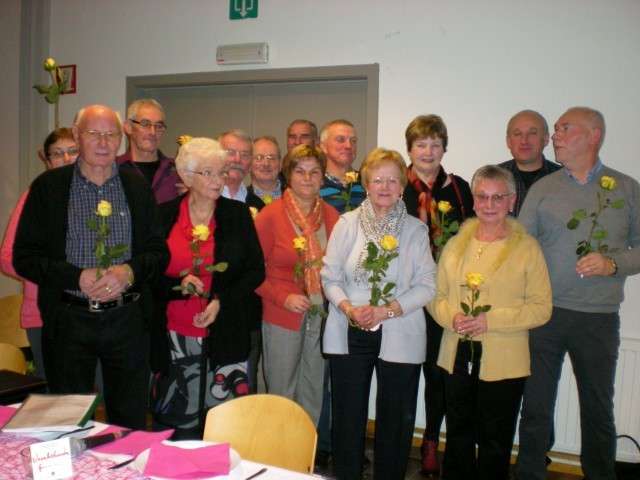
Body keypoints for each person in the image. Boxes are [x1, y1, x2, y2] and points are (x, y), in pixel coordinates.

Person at [13, 104, 168, 429]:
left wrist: (129, 272)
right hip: (69, 320)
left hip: (127, 320)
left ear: (120, 138)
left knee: (129, 420)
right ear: (77, 135)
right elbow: (24, 257)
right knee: (68, 418)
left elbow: (158, 252)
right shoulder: (49, 188)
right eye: (94, 133)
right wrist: (76, 277)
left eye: (110, 134)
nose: (103, 142)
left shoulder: (136, 186)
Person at [516, 107, 640, 480]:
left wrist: (613, 263)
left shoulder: (626, 188)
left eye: (564, 128)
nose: (555, 135)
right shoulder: (543, 188)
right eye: (555, 129)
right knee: (535, 406)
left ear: (594, 135)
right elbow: (521, 246)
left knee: (597, 408)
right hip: (545, 315)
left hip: (598, 319)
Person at [322, 147, 436, 480]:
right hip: (350, 327)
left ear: (402, 187)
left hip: (400, 328)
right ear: (367, 184)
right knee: (347, 417)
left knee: (396, 421)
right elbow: (330, 277)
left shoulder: (415, 230)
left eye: (392, 180)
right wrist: (348, 308)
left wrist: (385, 311)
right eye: (377, 180)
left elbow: (427, 285)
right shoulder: (347, 224)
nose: (384, 187)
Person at [431, 165, 551, 480]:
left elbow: (541, 309)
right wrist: (452, 316)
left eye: (498, 197)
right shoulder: (456, 243)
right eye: (482, 196)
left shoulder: (527, 248)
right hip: (456, 354)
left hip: (504, 360)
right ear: (473, 200)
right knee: (457, 435)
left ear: (511, 201)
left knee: (495, 442)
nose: (489, 204)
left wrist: (491, 320)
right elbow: (435, 295)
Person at [151, 137, 265, 439]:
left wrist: (220, 300)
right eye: (209, 173)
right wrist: (177, 284)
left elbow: (255, 270)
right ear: (187, 176)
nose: (219, 180)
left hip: (225, 331)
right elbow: (148, 273)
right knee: (176, 424)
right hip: (174, 336)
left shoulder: (237, 215)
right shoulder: (162, 215)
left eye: (222, 172)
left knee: (223, 428)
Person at [402, 114, 474, 474]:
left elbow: (472, 237)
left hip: (443, 295)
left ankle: (430, 440)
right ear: (410, 149)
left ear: (444, 148)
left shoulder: (459, 188)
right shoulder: (396, 185)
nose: (428, 152)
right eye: (421, 144)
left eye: (435, 144)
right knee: (401, 371)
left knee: (436, 373)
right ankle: (398, 440)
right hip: (403, 294)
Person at [255, 144, 339, 426]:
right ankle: (277, 450)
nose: (307, 178)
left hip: (319, 312)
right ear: (288, 175)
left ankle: (305, 447)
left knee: (313, 387)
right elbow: (252, 272)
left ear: (322, 177)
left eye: (314, 172)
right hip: (282, 312)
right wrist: (283, 297)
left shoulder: (332, 216)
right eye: (300, 171)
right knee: (281, 390)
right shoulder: (270, 215)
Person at [1, 128, 79, 380]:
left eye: (73, 151)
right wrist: (55, 275)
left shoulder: (96, 194)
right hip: (43, 314)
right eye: (58, 153)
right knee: (54, 396)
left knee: (90, 394)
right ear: (47, 160)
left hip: (87, 315)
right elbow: (8, 258)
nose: (67, 159)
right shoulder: (34, 196)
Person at [117, 98, 181, 203]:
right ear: (128, 127)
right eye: (145, 124)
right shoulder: (114, 170)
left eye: (158, 126)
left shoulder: (177, 172)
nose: (153, 132)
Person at [499, 109, 561, 216]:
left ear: (546, 139)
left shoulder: (564, 179)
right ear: (508, 141)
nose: (524, 141)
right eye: (517, 134)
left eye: (532, 133)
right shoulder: (491, 178)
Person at [319, 119, 366, 212]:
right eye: (340, 140)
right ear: (323, 146)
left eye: (353, 141)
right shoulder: (314, 184)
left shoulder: (365, 182)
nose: (348, 146)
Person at [246, 136, 285, 210]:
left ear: (280, 164)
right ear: (249, 164)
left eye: (271, 158)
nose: (266, 164)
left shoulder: (295, 198)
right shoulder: (241, 200)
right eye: (259, 158)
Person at [219, 129, 253, 202]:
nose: (237, 160)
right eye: (230, 153)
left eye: (244, 155)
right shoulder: (202, 198)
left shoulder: (257, 204)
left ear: (250, 164)